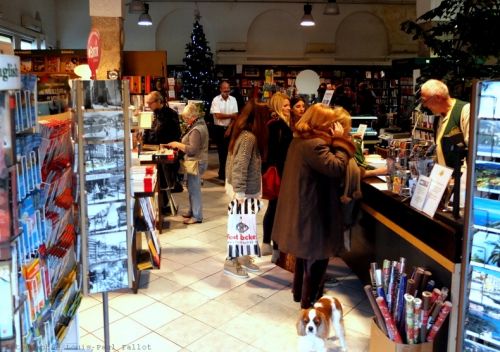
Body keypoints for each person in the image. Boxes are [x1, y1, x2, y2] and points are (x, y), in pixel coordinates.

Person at [271, 104, 355, 309]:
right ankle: (310, 303)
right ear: (320, 123)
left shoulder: (301, 139)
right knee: (317, 255)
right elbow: (336, 167)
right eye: (330, 123)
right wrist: (342, 141)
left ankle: (299, 293)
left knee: (305, 254)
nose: (333, 126)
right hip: (313, 209)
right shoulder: (316, 144)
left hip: (303, 206)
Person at [224, 98, 269, 278]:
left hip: (243, 188)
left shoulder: (243, 133)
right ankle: (230, 261)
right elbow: (240, 165)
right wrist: (240, 191)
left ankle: (242, 257)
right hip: (243, 190)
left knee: (245, 227)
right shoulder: (249, 137)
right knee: (239, 226)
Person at [261, 93, 293, 263]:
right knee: (277, 210)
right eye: (285, 105)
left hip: (277, 170)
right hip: (280, 171)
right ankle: (275, 248)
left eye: (289, 105)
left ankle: (268, 244)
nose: (289, 108)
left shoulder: (273, 123)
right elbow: (277, 151)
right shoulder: (278, 125)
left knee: (273, 208)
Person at [166, 104, 209, 225]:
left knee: (194, 189)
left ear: (193, 116)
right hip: (196, 161)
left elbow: (191, 149)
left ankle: (197, 216)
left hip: (196, 162)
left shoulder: (196, 129)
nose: (185, 121)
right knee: (191, 187)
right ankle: (192, 211)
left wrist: (177, 144)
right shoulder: (198, 124)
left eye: (187, 118)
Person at [143, 91, 182, 213]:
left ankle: (163, 205)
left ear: (159, 101)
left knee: (163, 180)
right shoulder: (154, 115)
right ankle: (161, 205)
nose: (149, 105)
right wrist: (145, 143)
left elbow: (176, 134)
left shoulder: (171, 115)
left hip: (165, 153)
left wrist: (169, 148)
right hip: (153, 152)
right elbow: (150, 130)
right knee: (156, 178)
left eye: (150, 103)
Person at [421, 79, 470, 168]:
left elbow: (471, 148)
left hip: (459, 177)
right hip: (443, 176)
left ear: (438, 97)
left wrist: (461, 177)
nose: (424, 105)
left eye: (425, 101)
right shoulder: (438, 116)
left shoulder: (465, 110)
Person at [210, 81, 239, 181]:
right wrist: (231, 115)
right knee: (222, 152)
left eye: (228, 87)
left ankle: (228, 173)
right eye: (224, 88)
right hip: (219, 129)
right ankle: (222, 173)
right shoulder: (216, 100)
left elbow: (236, 117)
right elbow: (218, 115)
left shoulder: (233, 100)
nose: (227, 89)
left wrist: (229, 129)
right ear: (220, 89)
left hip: (230, 128)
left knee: (230, 152)